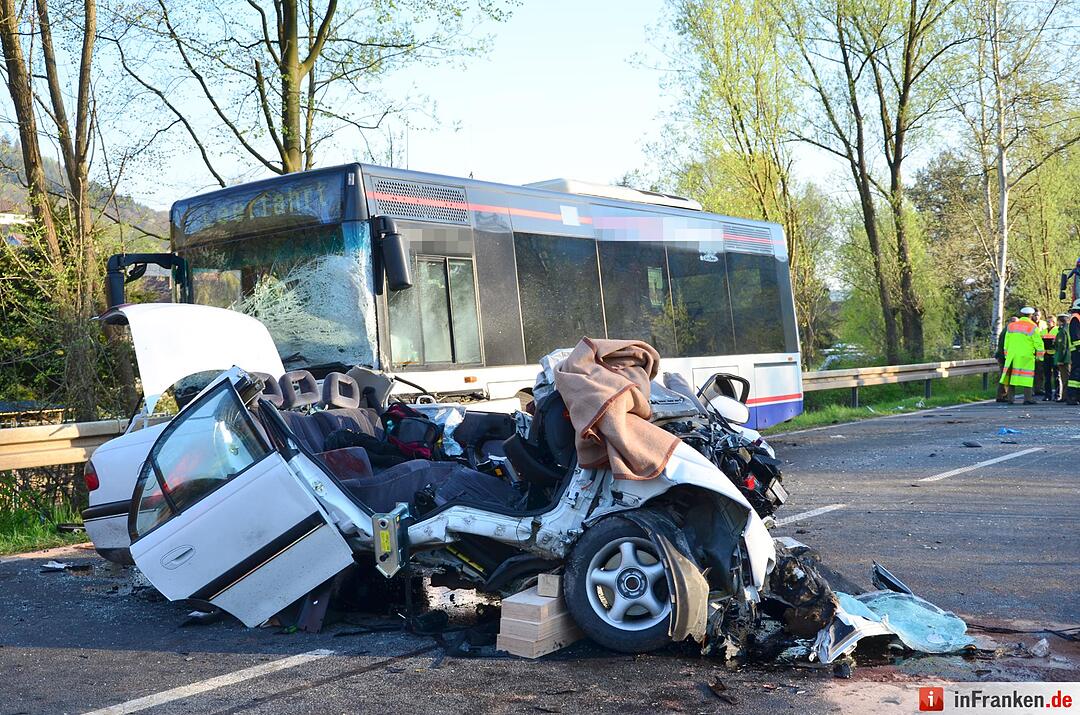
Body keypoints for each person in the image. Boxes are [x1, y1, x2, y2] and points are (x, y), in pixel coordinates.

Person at [999, 307, 1043, 405]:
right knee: (1027, 377)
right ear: (1031, 316)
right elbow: (1038, 343)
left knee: (1011, 377)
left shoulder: (1011, 326)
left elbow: (1006, 343)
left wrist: (1007, 355)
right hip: (1026, 356)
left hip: (1012, 356)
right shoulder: (1033, 327)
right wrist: (1040, 357)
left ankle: (1010, 399)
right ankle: (1027, 399)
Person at [995, 316, 1017, 402]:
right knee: (1005, 377)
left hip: (1003, 356)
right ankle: (1002, 395)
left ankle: (1003, 395)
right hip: (1004, 357)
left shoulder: (1006, 330)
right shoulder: (1008, 331)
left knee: (1005, 376)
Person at [1041, 312, 1058, 400]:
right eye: (1047, 321)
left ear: (1054, 322)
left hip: (1054, 355)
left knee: (1056, 376)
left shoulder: (1057, 330)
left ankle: (1057, 394)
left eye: (1050, 321)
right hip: (1046, 355)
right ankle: (1047, 395)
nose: (1048, 323)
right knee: (1047, 377)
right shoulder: (1043, 331)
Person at [1066, 299, 1080, 405]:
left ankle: (1076, 396)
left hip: (1077, 349)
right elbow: (1076, 336)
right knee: (1075, 373)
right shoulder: (1075, 318)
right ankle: (1071, 397)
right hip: (1077, 350)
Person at [1054, 314, 1070, 402]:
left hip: (1065, 359)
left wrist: (1060, 359)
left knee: (1065, 379)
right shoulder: (1069, 329)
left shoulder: (1062, 331)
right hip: (1071, 357)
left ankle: (1065, 397)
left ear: (1060, 321)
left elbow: (1062, 346)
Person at [1033, 308, 1048, 396]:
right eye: (1034, 315)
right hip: (1031, 350)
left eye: (1038, 315)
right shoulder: (1029, 324)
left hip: (1041, 350)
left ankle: (1039, 388)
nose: (1036, 317)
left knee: (1040, 371)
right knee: (1031, 372)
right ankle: (1031, 389)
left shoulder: (1043, 324)